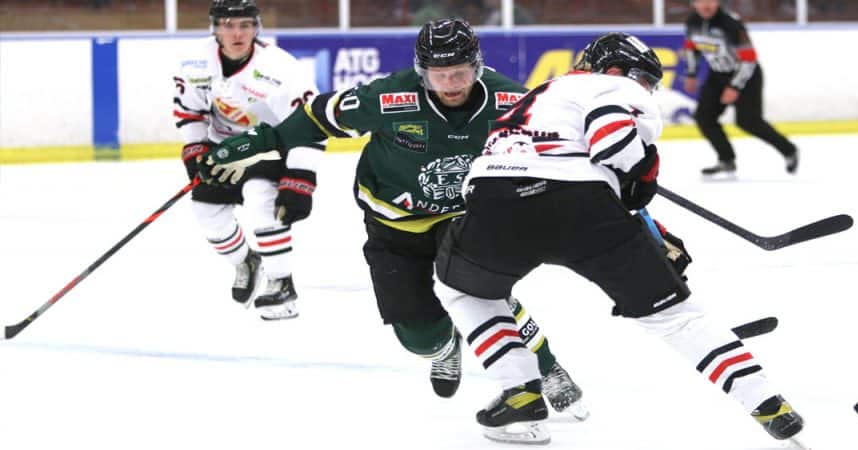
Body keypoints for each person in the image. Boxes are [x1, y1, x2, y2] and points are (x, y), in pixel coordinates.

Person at [196, 18, 588, 418]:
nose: (451, 84)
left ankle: (546, 367)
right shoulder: (388, 97)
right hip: (393, 224)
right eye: (438, 75)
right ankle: (444, 346)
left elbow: (566, 144)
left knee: (486, 295)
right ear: (421, 72)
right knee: (418, 337)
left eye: (460, 72)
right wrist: (260, 141)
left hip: (465, 217)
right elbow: (317, 117)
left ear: (478, 66)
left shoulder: (512, 101)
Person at [430, 32, 807, 446]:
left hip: (493, 204)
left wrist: (645, 221)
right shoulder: (613, 86)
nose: (646, 89)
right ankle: (767, 403)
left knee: (462, 289)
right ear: (614, 70)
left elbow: (507, 171)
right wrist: (642, 180)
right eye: (644, 79)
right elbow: (612, 146)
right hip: (579, 206)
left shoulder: (540, 96)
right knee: (676, 317)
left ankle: (519, 389)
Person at [173, 0, 317, 320]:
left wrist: (301, 177)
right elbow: (191, 111)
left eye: (245, 25)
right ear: (215, 29)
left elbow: (309, 125)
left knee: (260, 199)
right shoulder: (196, 62)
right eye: (228, 25)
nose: (237, 33)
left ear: (256, 28)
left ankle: (281, 282)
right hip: (224, 148)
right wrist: (195, 150)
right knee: (206, 211)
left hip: (270, 145)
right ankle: (246, 262)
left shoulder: (281, 68)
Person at [682, 0, 798, 177]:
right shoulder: (692, 22)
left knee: (748, 122)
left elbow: (749, 58)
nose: (706, 5)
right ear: (694, 3)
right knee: (704, 117)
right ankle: (726, 160)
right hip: (717, 75)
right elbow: (691, 47)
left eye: (710, 0)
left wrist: (735, 86)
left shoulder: (731, 24)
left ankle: (789, 150)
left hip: (746, 75)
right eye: (701, 1)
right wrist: (691, 73)